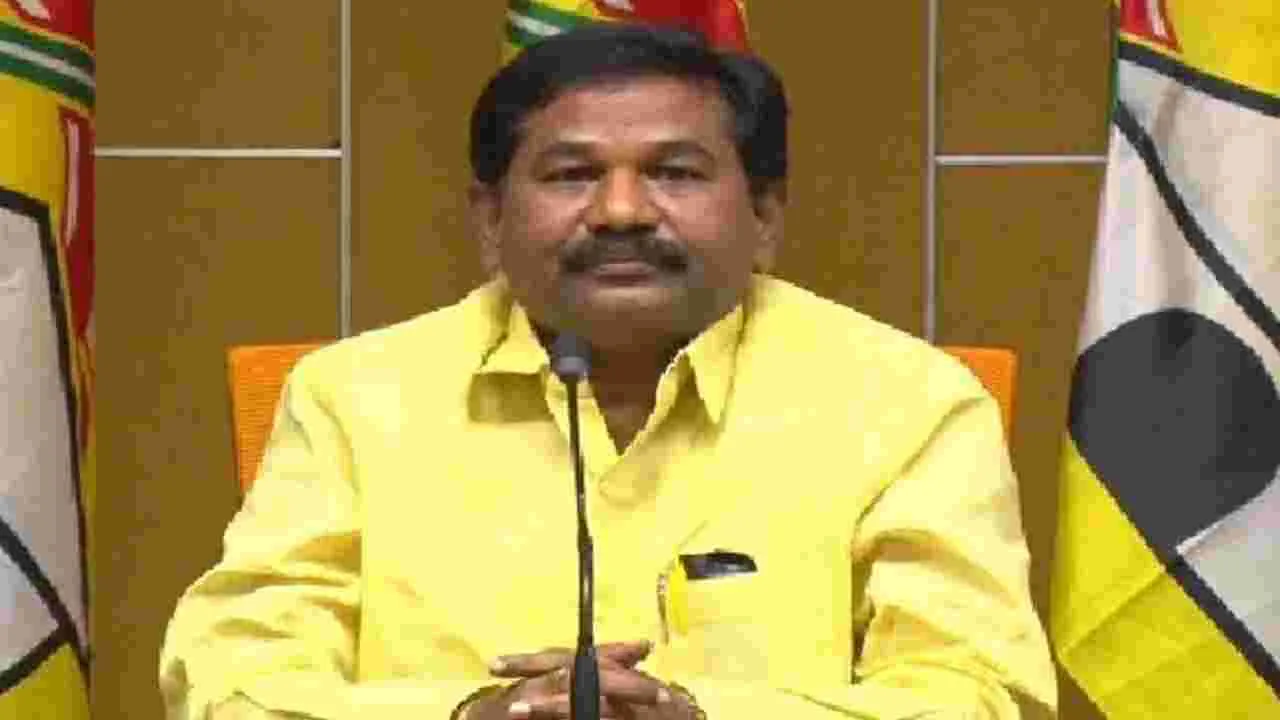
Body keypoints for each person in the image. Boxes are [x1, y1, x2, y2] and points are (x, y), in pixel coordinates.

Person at [160, 22, 1057, 720]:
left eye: (675, 172)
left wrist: (704, 718)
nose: (621, 210)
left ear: (765, 217)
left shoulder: (908, 402)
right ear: (490, 221)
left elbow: (979, 692)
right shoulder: (355, 397)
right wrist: (469, 715)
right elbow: (230, 678)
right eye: (570, 174)